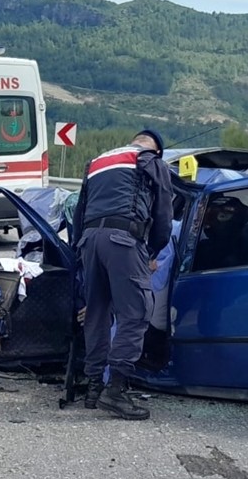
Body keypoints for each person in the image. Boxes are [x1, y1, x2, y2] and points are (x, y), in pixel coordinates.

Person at [70, 129, 173, 420]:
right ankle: (115, 390)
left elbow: (80, 212)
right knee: (136, 313)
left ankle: (93, 388)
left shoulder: (98, 161)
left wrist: (81, 251)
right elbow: (164, 212)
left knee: (97, 313)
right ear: (155, 149)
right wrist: (152, 252)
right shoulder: (149, 160)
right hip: (124, 241)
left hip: (89, 241)